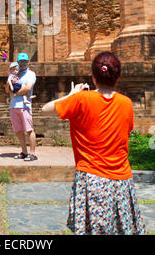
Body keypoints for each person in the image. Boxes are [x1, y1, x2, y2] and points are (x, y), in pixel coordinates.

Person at [42, 51, 147, 236]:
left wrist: (71, 94)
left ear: (93, 76)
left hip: (92, 180)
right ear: (118, 76)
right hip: (122, 182)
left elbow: (45, 109)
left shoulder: (80, 100)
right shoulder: (127, 104)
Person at [5, 53, 37, 161]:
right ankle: (24, 152)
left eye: (24, 61)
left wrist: (14, 93)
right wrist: (8, 83)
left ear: (28, 62)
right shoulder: (14, 74)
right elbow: (7, 89)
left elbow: (28, 88)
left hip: (25, 105)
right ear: (17, 63)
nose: (22, 63)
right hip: (14, 105)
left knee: (29, 130)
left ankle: (32, 153)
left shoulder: (31, 74)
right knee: (18, 130)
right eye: (20, 61)